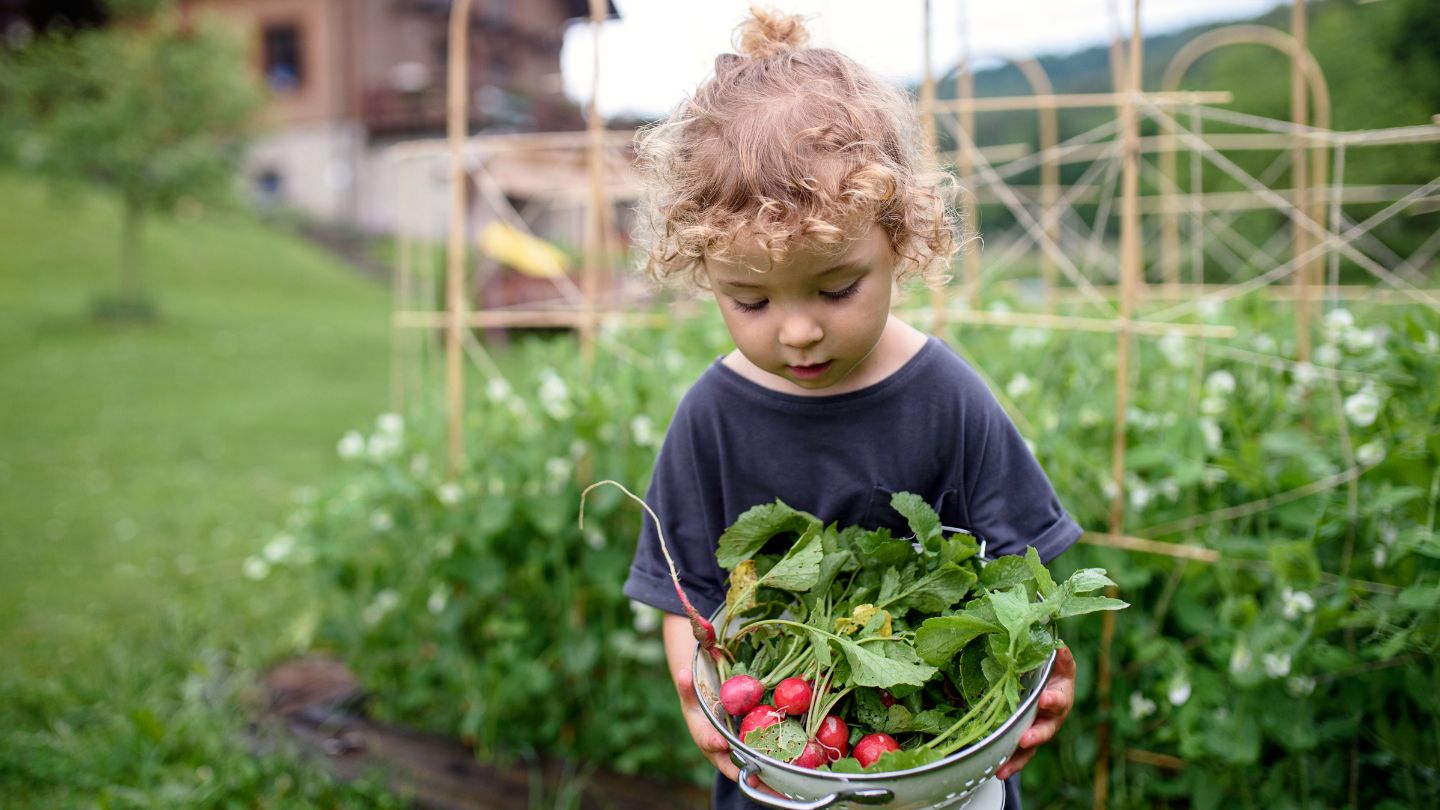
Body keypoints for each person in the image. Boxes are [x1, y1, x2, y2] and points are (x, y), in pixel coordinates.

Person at [621, 7, 1082, 809]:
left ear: (899, 240)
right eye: (749, 299)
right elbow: (686, 596)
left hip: (943, 760)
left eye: (837, 288)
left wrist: (1043, 667)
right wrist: (706, 699)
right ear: (706, 276)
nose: (798, 330)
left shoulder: (948, 398)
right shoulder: (712, 418)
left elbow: (1028, 578)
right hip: (783, 757)